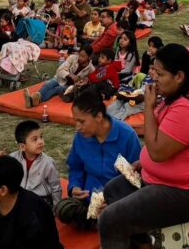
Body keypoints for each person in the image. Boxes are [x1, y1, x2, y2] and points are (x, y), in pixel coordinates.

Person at [98, 44, 189, 248]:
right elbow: (163, 138)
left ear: (179, 76)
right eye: (154, 70)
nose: (153, 77)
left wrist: (148, 105)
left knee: (110, 220)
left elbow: (157, 152)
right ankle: (143, 244)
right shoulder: (177, 96)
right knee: (113, 190)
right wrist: (143, 162)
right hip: (166, 179)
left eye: (160, 73)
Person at [55, 91, 141, 230]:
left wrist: (114, 200)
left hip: (117, 200)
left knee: (130, 210)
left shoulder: (127, 135)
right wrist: (75, 187)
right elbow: (75, 167)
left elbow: (135, 179)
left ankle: (101, 221)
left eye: (82, 121)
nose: (77, 127)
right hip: (89, 199)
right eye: (76, 121)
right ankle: (101, 222)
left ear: (99, 116)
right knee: (63, 209)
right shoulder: (81, 137)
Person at [7, 120, 62, 207]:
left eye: (41, 137)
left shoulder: (48, 162)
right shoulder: (13, 158)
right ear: (22, 146)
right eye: (35, 139)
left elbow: (56, 187)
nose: (40, 142)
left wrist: (57, 207)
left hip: (41, 199)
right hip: (20, 197)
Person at [26, 45, 95, 106]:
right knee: (48, 84)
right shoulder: (72, 58)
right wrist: (70, 75)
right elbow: (60, 70)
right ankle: (35, 98)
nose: (80, 58)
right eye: (80, 55)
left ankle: (33, 101)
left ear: (89, 57)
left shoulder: (91, 69)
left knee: (57, 89)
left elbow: (88, 83)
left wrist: (80, 83)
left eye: (83, 56)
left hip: (70, 86)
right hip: (61, 78)